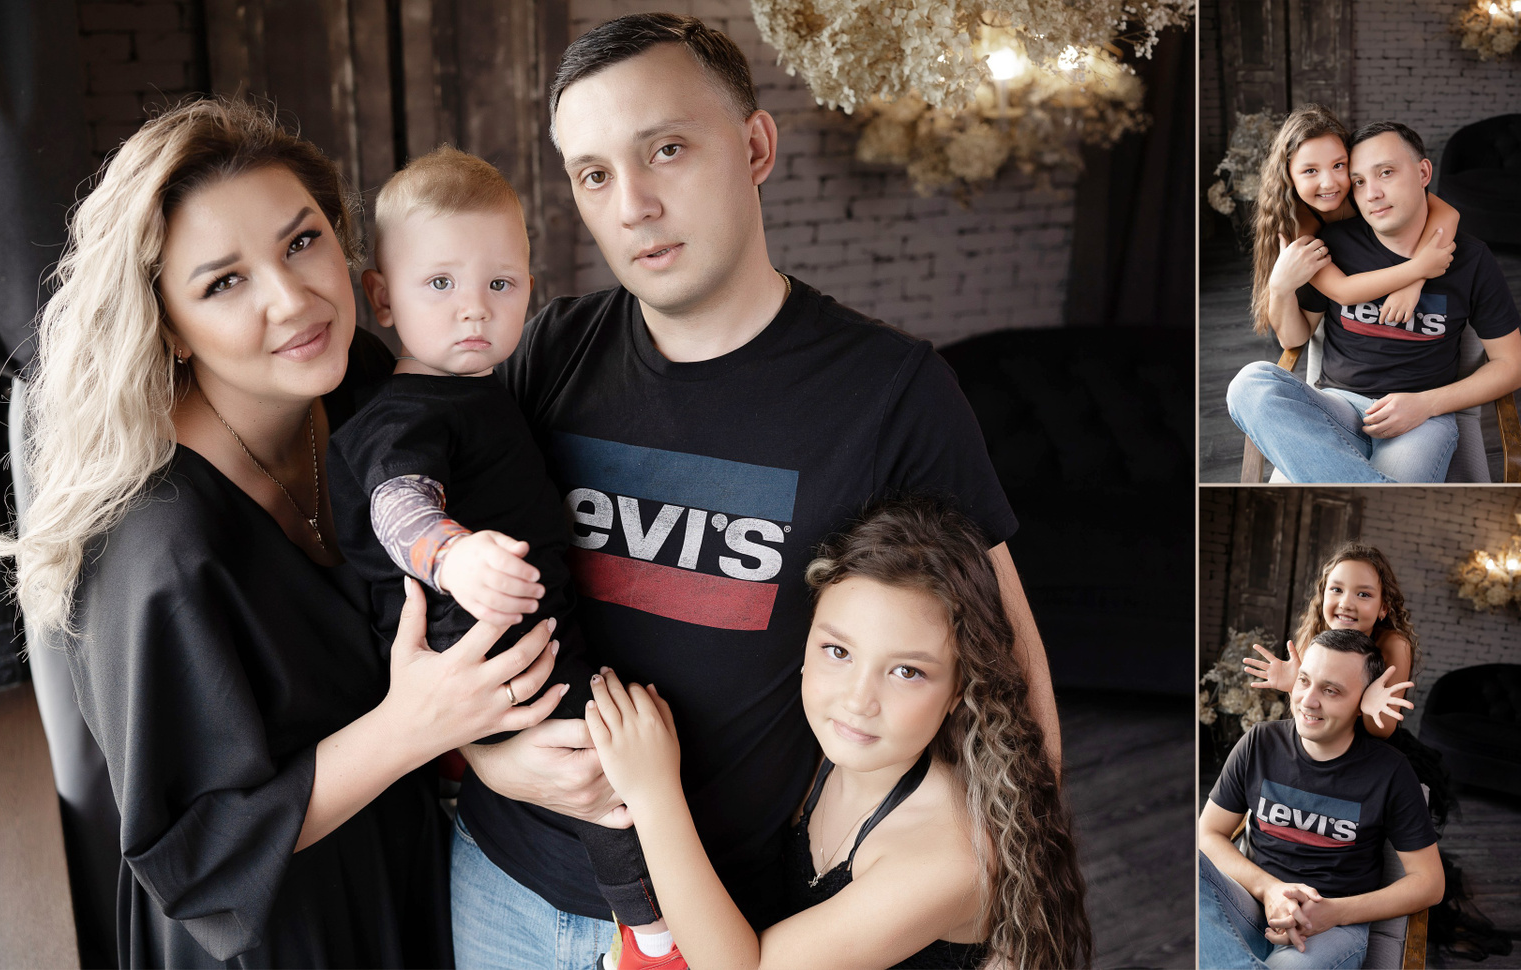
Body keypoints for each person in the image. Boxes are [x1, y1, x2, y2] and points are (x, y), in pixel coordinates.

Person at [450, 15, 1063, 968]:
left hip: (723, 916)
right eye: (594, 174)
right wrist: (488, 760)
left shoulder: (890, 391)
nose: (634, 205)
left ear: (756, 147)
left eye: (666, 149)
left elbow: (1006, 668)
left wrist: (1017, 913)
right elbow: (432, 588)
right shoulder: (550, 352)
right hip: (504, 882)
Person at [0, 98, 569, 968]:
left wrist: (488, 755)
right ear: (169, 326)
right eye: (223, 283)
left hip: (410, 869)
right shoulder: (156, 550)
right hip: (278, 936)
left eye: (302, 242)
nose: (294, 300)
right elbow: (191, 855)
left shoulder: (364, 383)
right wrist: (415, 728)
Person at [327, 147, 671, 966]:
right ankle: (654, 935)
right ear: (382, 296)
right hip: (485, 649)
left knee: (617, 739)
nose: (473, 310)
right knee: (604, 757)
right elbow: (400, 503)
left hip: (528, 635)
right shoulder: (403, 414)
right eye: (440, 284)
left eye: (501, 284)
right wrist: (452, 557)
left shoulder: (482, 391)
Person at [583, 498, 1091, 969]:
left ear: (959, 689)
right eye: (839, 652)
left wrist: (653, 791)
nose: (858, 700)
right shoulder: (815, 751)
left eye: (907, 671)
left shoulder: (950, 857)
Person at [1230, 120, 1521, 482]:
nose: (1372, 194)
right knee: (1249, 383)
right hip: (1339, 407)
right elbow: (1296, 336)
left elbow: (1512, 365)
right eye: (1359, 181)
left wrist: (1427, 404)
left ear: (1423, 173)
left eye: (1386, 173)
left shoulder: (1470, 259)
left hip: (1421, 419)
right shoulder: (1329, 245)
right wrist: (1279, 287)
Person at [1198, 629, 1443, 969]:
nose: (1308, 701)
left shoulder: (1390, 772)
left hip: (1332, 927)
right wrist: (1269, 890)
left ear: (1362, 703)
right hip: (1251, 905)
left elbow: (1430, 883)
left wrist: (1334, 912)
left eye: (1331, 691)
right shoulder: (1259, 743)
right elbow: (1208, 833)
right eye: (1303, 681)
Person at [1245, 105, 1459, 341]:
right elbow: (1342, 291)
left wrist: (1413, 284)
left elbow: (1448, 213)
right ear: (1287, 175)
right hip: (1317, 309)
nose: (1329, 183)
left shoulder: (1363, 188)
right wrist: (1419, 268)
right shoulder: (1297, 224)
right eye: (1310, 170)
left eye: (1338, 165)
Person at [1243, 543, 1416, 742]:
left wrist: (1367, 706)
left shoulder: (1394, 645)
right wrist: (1294, 687)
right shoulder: (1314, 634)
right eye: (1336, 589)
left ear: (1383, 608)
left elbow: (1382, 730)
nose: (1346, 604)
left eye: (1363, 594)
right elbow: (1303, 717)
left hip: (1369, 748)